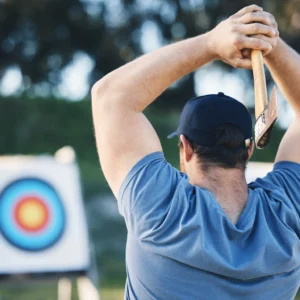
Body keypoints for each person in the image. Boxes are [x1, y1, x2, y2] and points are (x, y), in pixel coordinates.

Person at [92, 5, 300, 299]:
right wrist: (268, 43)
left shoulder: (161, 208)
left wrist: (211, 43)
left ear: (185, 148)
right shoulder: (287, 212)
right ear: (249, 149)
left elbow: (109, 97)